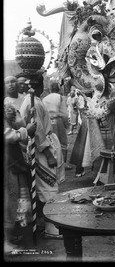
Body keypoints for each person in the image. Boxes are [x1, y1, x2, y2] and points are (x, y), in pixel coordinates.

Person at [19, 73, 64, 239]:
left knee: (44, 188)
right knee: (48, 188)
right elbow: (37, 131)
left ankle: (42, 223)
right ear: (38, 85)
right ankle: (51, 228)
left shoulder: (35, 101)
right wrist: (48, 153)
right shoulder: (33, 103)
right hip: (41, 151)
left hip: (44, 145)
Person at [4, 103, 37, 253]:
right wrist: (25, 131)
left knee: (18, 200)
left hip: (13, 165)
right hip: (8, 168)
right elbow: (9, 135)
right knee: (9, 203)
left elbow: (17, 129)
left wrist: (27, 121)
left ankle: (14, 234)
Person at [42, 81, 69, 171]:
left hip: (48, 121)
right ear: (58, 89)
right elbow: (64, 113)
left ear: (50, 89)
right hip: (58, 120)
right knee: (62, 142)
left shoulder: (44, 99)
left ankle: (54, 160)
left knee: (51, 140)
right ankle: (63, 163)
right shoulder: (60, 97)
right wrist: (66, 124)